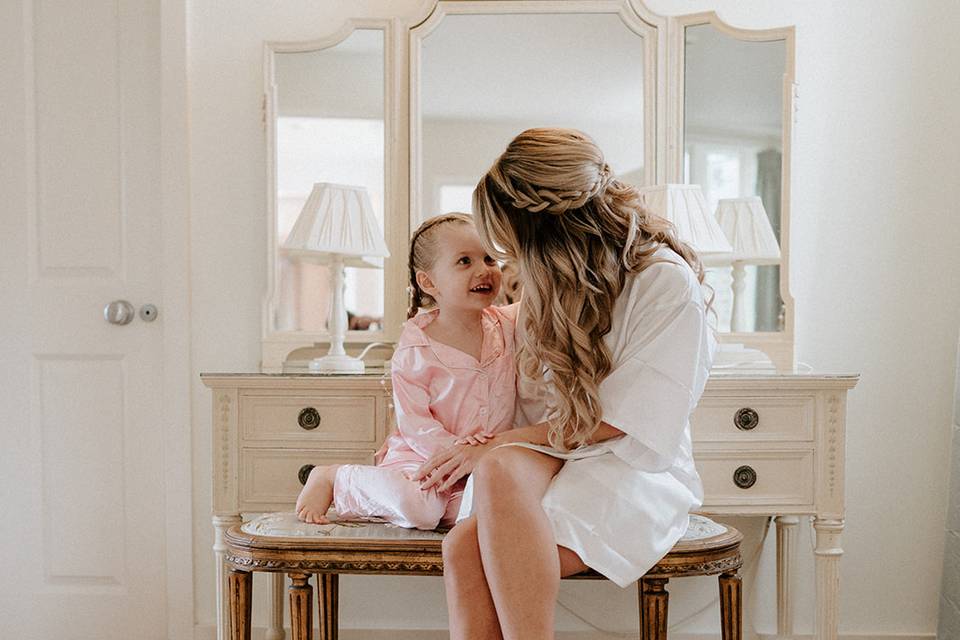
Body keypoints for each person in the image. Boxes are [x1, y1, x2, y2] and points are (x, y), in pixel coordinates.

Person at [411, 128, 717, 639]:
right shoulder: (550, 280)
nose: (508, 259)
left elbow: (623, 422)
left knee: (488, 500)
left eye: (512, 241)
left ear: (551, 228)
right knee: (464, 542)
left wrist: (495, 443)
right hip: (561, 451)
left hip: (633, 461)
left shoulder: (664, 282)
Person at [295, 213, 518, 530]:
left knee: (481, 511)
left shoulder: (505, 324)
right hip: (421, 456)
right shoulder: (417, 347)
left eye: (490, 259)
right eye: (464, 261)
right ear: (428, 282)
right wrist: (457, 453)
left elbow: (542, 303)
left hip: (478, 462)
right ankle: (335, 477)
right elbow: (415, 425)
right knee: (421, 511)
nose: (484, 270)